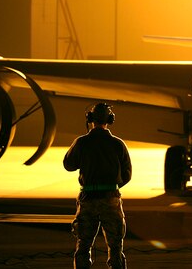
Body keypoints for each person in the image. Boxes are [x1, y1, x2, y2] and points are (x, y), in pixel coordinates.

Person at [64, 102, 132, 269]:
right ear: (110, 119)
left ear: (90, 119)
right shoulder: (118, 144)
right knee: (115, 248)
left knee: (83, 246)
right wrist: (111, 186)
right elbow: (127, 175)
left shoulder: (81, 142)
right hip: (111, 199)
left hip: (88, 199)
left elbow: (68, 165)